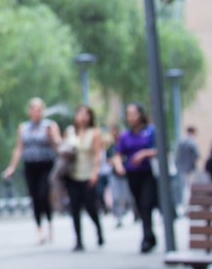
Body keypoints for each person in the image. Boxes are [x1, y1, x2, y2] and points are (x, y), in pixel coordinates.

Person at [2, 97, 61, 245]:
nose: (38, 112)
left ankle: (49, 225)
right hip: (30, 166)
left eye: (40, 109)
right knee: (34, 197)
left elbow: (59, 146)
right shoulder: (23, 128)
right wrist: (12, 167)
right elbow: (19, 148)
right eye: (35, 109)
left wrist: (52, 137)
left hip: (46, 165)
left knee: (43, 195)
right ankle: (39, 229)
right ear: (30, 111)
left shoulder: (50, 126)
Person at [112, 103, 159, 253]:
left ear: (141, 114)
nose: (131, 117)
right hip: (132, 175)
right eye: (128, 114)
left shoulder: (151, 131)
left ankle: (147, 238)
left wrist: (144, 154)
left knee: (146, 204)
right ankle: (150, 235)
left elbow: (160, 149)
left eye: (134, 113)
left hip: (148, 173)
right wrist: (119, 166)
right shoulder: (125, 136)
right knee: (139, 205)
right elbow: (118, 154)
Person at [62, 105, 104, 251]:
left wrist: (96, 172)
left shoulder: (95, 133)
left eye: (86, 114)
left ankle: (98, 229)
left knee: (90, 206)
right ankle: (78, 240)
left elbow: (98, 154)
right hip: (72, 175)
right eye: (80, 114)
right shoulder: (70, 132)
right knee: (74, 208)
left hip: (88, 175)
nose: (83, 117)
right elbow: (63, 149)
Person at [105, 123, 131, 227]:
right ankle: (118, 217)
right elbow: (108, 160)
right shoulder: (110, 147)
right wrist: (114, 162)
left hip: (126, 173)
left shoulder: (124, 144)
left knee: (127, 195)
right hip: (114, 174)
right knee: (116, 196)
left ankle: (132, 213)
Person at [173, 125, 200, 213]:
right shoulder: (192, 142)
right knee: (190, 188)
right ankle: (189, 206)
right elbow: (197, 155)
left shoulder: (180, 141)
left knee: (183, 188)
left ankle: (185, 207)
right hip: (190, 169)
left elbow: (176, 156)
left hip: (181, 169)